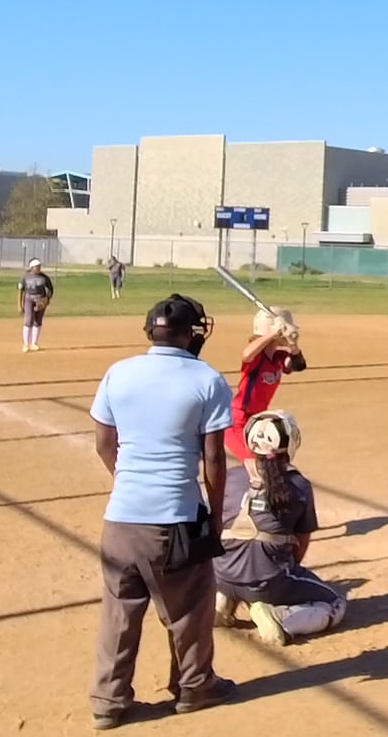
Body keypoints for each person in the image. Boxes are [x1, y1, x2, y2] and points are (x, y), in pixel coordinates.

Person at [88, 295, 237, 729]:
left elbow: (104, 443)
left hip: (120, 519)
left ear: (150, 331)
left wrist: (128, 482)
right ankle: (195, 687)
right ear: (191, 333)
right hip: (174, 519)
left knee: (119, 612)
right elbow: (214, 458)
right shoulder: (207, 379)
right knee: (190, 607)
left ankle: (108, 702)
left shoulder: (119, 372)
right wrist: (213, 517)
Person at [214, 410, 347, 646]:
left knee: (238, 562)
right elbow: (301, 542)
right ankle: (279, 617)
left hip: (220, 574)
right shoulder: (298, 484)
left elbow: (210, 523)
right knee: (334, 603)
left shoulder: (229, 476)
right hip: (267, 583)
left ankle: (223, 600)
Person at [227, 308, 306, 471]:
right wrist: (272, 333)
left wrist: (294, 346)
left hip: (257, 420)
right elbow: (246, 355)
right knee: (257, 465)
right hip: (237, 421)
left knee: (268, 464)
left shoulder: (278, 357)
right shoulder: (257, 357)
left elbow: (299, 365)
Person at [18, 258, 54, 353]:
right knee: (28, 320)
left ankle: (34, 343)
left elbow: (50, 289)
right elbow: (21, 290)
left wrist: (47, 299)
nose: (38, 268)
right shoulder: (26, 277)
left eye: (39, 266)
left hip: (40, 300)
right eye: (36, 266)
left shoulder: (44, 277)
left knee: (38, 321)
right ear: (31, 267)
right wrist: (19, 305)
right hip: (29, 299)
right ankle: (26, 344)